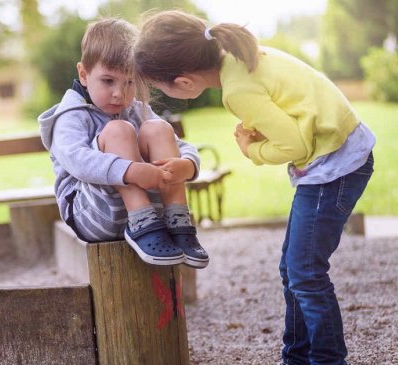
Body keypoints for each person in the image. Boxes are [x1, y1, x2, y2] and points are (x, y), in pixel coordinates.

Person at [134, 10, 375, 365]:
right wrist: (269, 132)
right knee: (293, 268)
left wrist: (252, 150)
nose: (159, 93)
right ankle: (296, 356)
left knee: (306, 272)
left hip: (335, 166)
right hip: (339, 152)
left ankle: (327, 359)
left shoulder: (236, 90)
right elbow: (293, 108)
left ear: (184, 82)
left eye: (159, 86)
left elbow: (295, 147)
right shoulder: (239, 55)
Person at [38, 17, 209, 268]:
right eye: (108, 81)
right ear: (84, 74)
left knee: (159, 128)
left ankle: (178, 220)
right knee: (119, 131)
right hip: (93, 214)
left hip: (155, 218)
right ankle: (142, 222)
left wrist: (188, 164)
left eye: (130, 82)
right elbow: (76, 160)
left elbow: (179, 144)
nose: (120, 93)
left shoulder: (136, 109)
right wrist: (129, 171)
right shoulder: (71, 115)